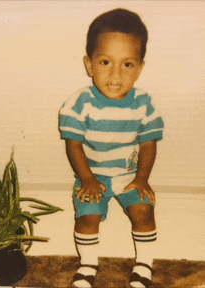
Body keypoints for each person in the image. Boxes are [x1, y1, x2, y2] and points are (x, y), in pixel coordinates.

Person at [59, 8, 164, 288]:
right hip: (93, 174)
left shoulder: (144, 104)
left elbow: (148, 144)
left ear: (140, 68)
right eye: (105, 62)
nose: (115, 75)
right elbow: (74, 145)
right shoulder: (79, 103)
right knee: (87, 217)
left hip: (129, 174)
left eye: (127, 64)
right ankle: (88, 264)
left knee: (144, 212)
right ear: (90, 64)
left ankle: (144, 264)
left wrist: (142, 178)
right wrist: (88, 179)